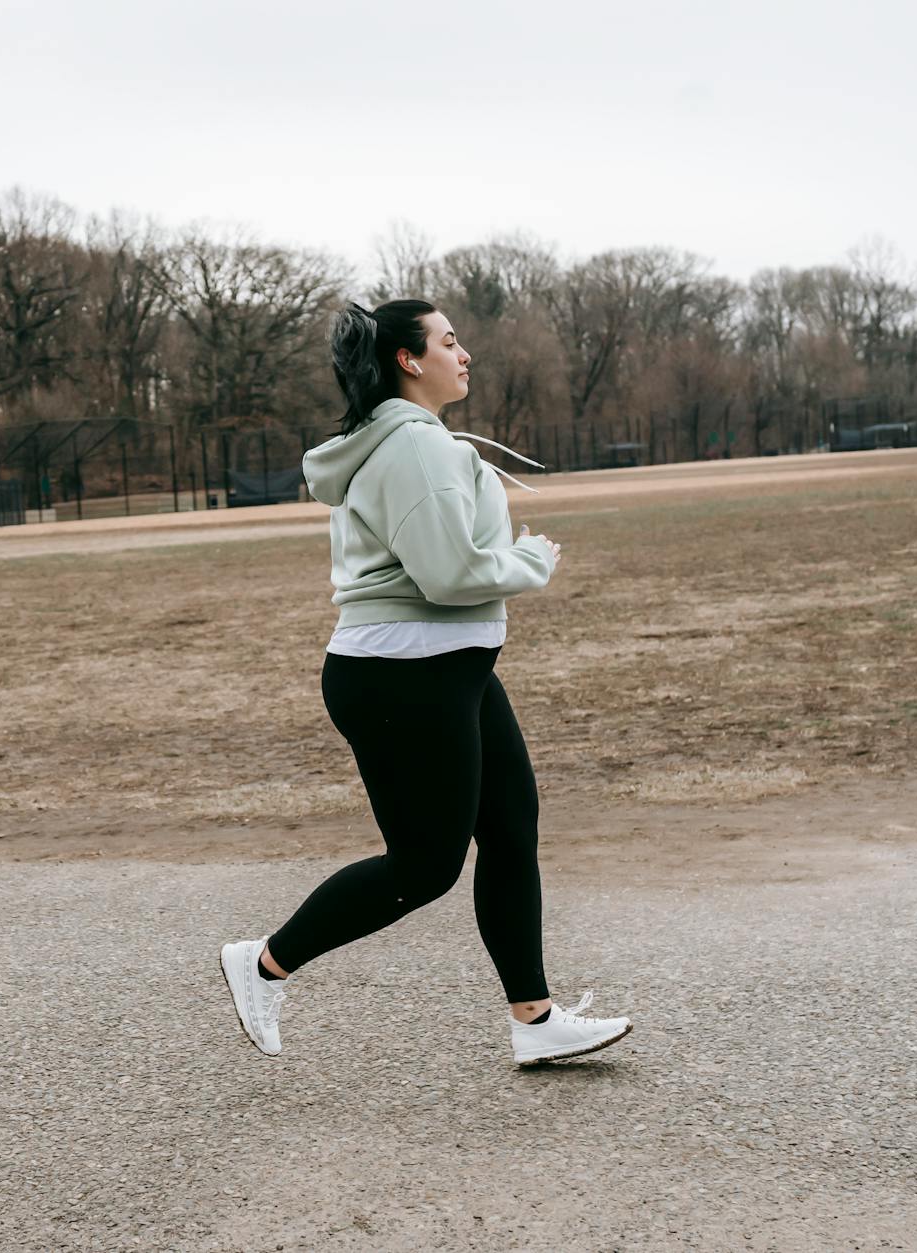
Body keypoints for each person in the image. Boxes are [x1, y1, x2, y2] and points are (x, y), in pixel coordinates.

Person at [219, 299, 633, 1066]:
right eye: (449, 341)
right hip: (401, 675)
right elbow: (447, 574)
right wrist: (531, 560)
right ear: (409, 360)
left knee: (510, 828)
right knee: (425, 866)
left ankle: (534, 1022)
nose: (464, 352)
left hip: (448, 667)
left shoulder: (414, 439)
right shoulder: (412, 446)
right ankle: (264, 962)